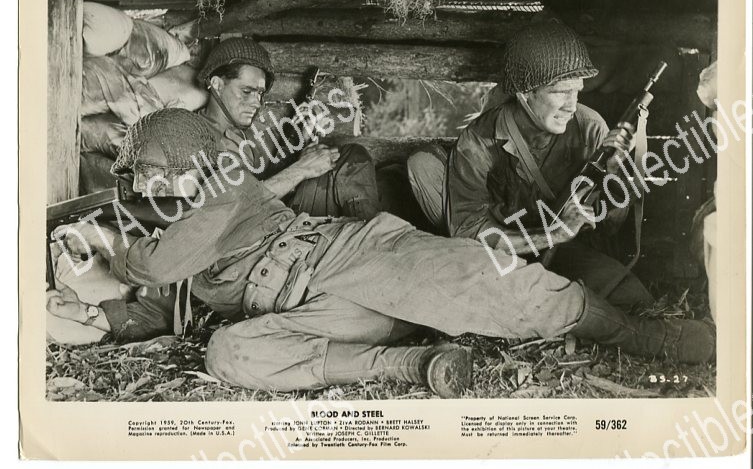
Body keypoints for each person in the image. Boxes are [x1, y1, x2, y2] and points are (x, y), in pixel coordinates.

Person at [48, 108, 714, 397]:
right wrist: (100, 315)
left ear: (186, 164)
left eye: (156, 175)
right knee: (228, 354)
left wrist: (115, 243)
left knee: (486, 278)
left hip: (346, 256)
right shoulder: (176, 223)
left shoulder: (221, 191)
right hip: (313, 314)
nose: (151, 188)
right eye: (144, 181)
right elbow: (159, 299)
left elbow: (154, 265)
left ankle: (641, 335)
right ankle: (412, 364)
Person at [408, 22, 654, 311]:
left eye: (577, 91)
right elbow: (469, 231)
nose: (571, 105)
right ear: (525, 94)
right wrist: (552, 234)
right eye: (560, 92)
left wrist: (614, 176)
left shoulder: (590, 129)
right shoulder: (479, 140)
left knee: (633, 300)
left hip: (563, 252)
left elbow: (610, 228)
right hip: (502, 252)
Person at [197, 37, 379, 220]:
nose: (256, 103)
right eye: (246, 91)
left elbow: (266, 177)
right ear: (217, 84)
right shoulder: (197, 135)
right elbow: (233, 210)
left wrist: (303, 138)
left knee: (351, 156)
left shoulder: (245, 130)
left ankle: (367, 231)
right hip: (258, 229)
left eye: (259, 93)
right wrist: (301, 169)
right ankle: (369, 233)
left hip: (277, 212)